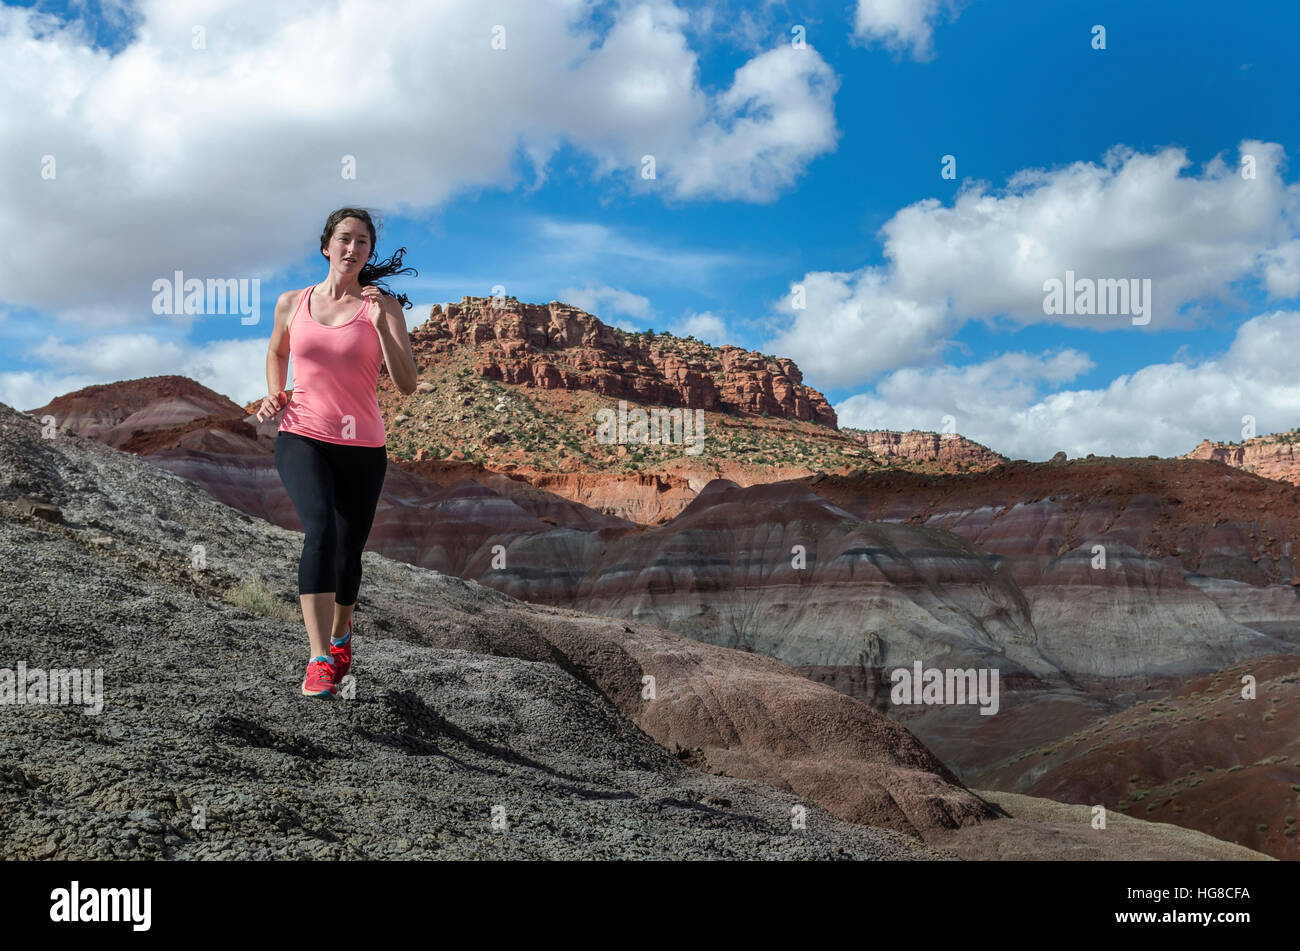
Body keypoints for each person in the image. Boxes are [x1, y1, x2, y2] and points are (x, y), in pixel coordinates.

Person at [254, 207, 419, 698]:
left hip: (363, 446)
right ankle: (319, 656)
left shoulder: (384, 307)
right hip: (302, 434)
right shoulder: (292, 302)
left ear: (370, 253)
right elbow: (276, 350)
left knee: (349, 555)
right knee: (320, 531)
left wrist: (382, 321)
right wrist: (275, 391)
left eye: (362, 242)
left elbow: (407, 384)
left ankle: (343, 632)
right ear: (326, 245)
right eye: (344, 239)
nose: (352, 249)